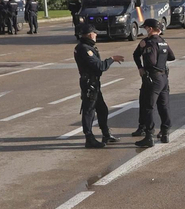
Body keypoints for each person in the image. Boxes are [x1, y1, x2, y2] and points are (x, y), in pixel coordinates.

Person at [132, 18, 177, 147]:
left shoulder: (148, 42)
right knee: (164, 105)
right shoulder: (163, 42)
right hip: (164, 78)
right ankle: (165, 132)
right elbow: (171, 57)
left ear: (150, 29)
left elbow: (149, 60)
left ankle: (149, 135)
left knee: (148, 107)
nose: (145, 30)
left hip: (152, 78)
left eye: (145, 28)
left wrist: (142, 68)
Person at [74, 28, 122, 148]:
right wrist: (111, 59)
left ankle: (106, 134)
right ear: (90, 34)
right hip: (89, 83)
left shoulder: (87, 46)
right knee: (89, 111)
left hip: (93, 83)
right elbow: (99, 66)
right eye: (95, 33)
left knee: (102, 109)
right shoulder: (84, 49)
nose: (96, 35)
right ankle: (89, 138)